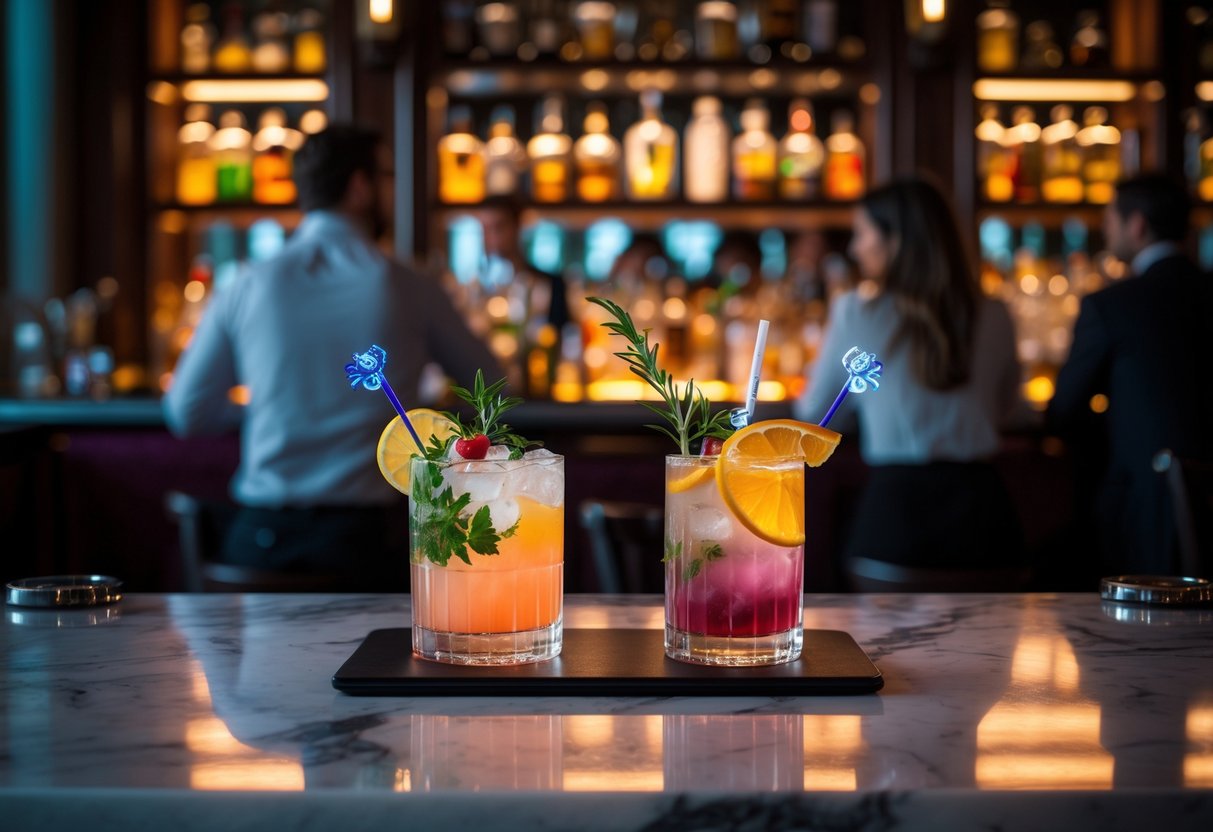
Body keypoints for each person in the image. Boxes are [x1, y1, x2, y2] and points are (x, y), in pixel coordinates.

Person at [163, 124, 498, 589]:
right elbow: (494, 389)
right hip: (369, 548)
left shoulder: (247, 282)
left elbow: (186, 413)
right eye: (386, 176)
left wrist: (266, 409)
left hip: (262, 544)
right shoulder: (409, 285)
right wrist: (426, 420)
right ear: (360, 186)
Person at [794, 176, 1024, 578]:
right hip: (985, 522)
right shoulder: (997, 313)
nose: (854, 247)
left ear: (895, 240)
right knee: (988, 641)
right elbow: (1009, 409)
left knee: (881, 643)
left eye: (862, 233)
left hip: (894, 522)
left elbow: (816, 414)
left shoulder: (854, 312)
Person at [1047, 173, 1213, 577]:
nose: (1105, 228)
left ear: (1136, 224)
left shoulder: (1112, 305)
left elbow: (1063, 412)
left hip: (1145, 506)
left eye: (1109, 218)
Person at [476, 195, 571, 333]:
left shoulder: (551, 285)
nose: (490, 237)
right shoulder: (476, 292)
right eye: (485, 229)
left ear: (517, 227)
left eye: (498, 227)